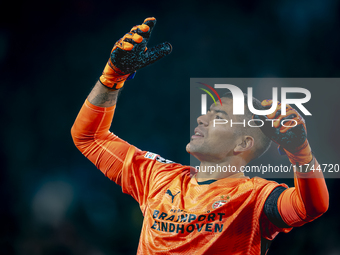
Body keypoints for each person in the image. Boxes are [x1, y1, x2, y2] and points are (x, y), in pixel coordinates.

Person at [71, 17, 329, 255]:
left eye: (218, 116)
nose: (201, 118)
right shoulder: (158, 177)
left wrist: (301, 152)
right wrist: (112, 77)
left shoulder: (255, 197)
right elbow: (89, 137)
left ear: (243, 143)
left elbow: (311, 206)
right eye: (207, 112)